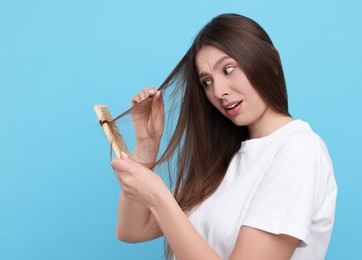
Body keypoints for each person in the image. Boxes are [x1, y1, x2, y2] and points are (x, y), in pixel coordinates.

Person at [111, 13, 337, 260]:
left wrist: (158, 195)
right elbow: (132, 230)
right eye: (207, 82)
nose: (219, 91)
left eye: (228, 69)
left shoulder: (299, 151)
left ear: (271, 62)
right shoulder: (224, 159)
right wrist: (147, 143)